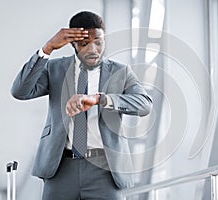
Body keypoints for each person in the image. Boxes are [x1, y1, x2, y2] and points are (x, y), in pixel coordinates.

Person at [11, 11, 152, 200]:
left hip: (105, 169)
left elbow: (144, 104)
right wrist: (47, 49)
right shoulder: (54, 69)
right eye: (85, 44)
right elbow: (20, 91)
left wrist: (101, 99)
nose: (93, 50)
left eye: (98, 42)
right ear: (73, 43)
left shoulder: (121, 71)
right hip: (60, 167)